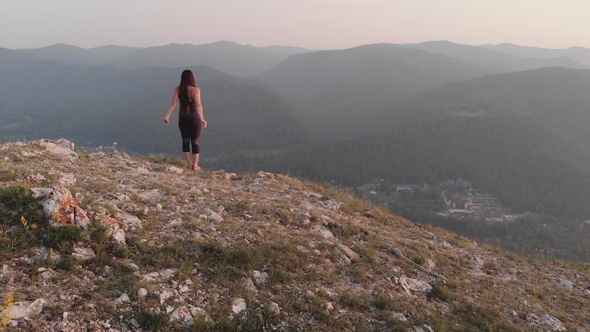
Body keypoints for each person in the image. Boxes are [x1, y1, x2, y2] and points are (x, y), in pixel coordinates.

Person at [163, 70, 207, 170]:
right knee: (195, 141)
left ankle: (189, 163)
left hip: (182, 119)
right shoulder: (195, 90)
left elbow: (173, 104)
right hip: (194, 119)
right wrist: (202, 119)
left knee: (185, 141)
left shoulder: (178, 89)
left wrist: (167, 116)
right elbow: (199, 105)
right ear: (192, 78)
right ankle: (195, 165)